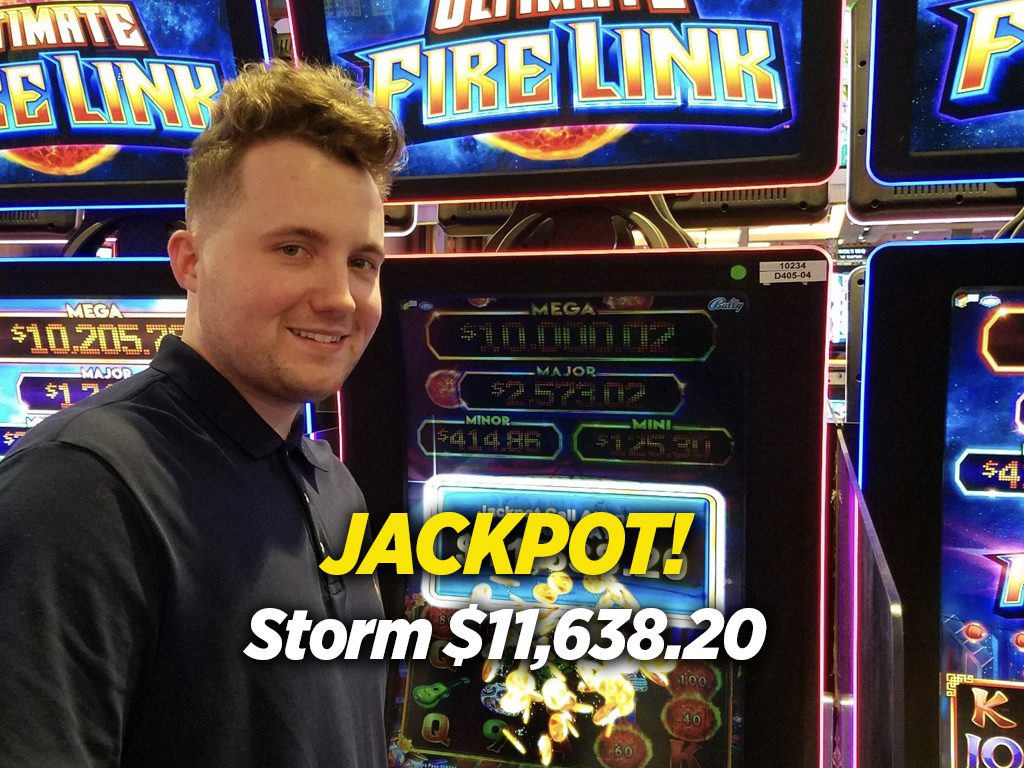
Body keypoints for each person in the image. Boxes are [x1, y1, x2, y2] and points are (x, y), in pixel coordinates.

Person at [0, 61, 404, 767]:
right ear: (190, 261)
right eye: (294, 249)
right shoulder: (79, 494)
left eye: (362, 261)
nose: (340, 296)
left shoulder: (331, 482)